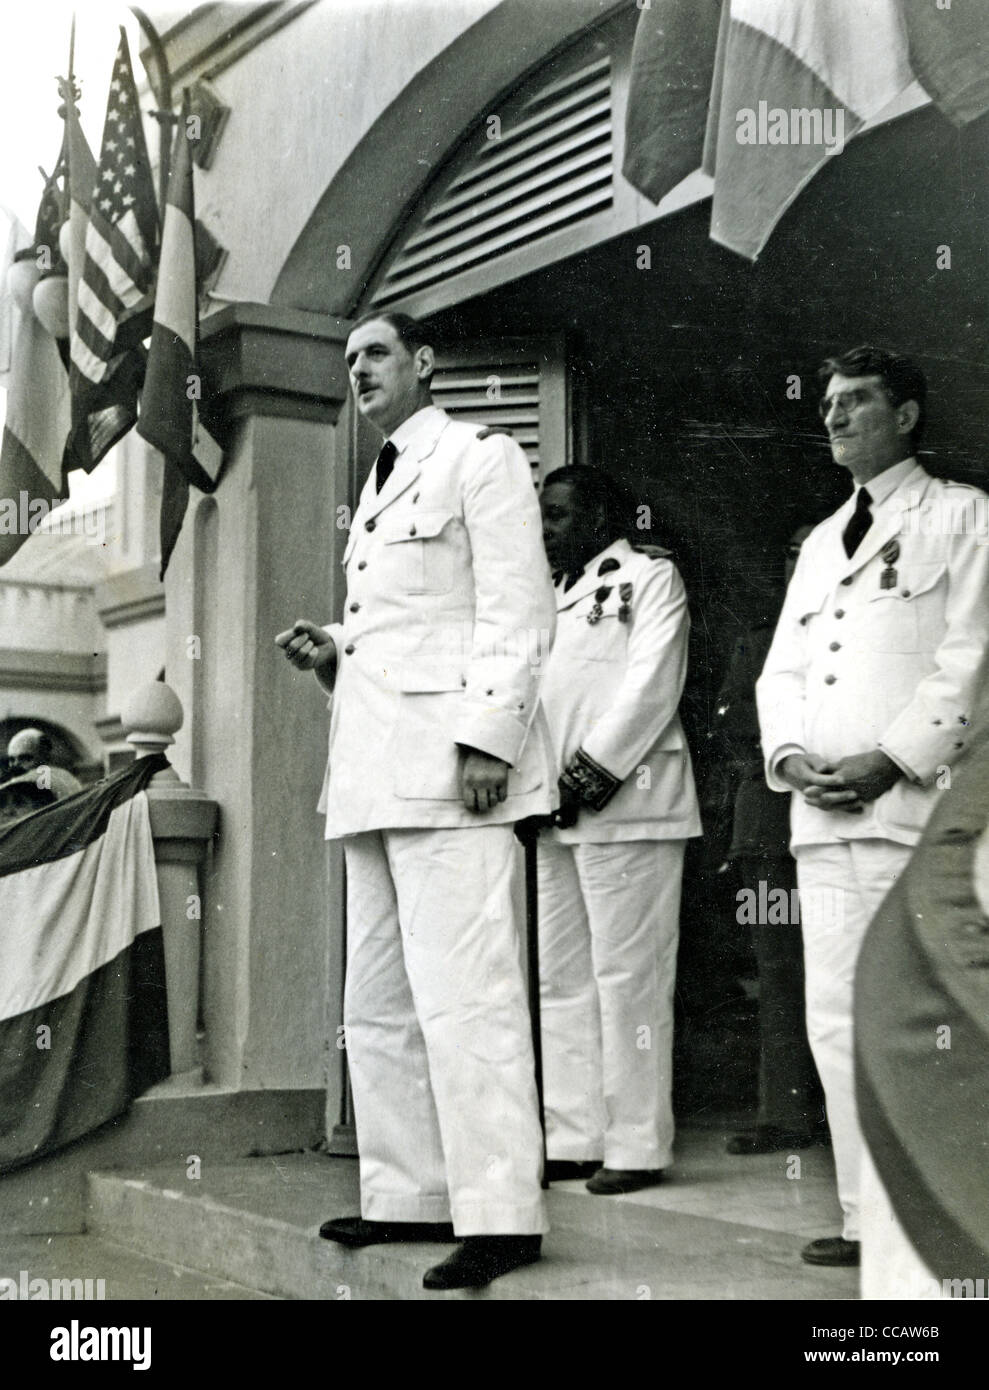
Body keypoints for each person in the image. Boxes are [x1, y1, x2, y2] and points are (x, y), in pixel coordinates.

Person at [276, 311, 556, 1291]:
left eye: (377, 354)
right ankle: (407, 1190)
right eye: (349, 359)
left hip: (450, 772)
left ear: (423, 364)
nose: (359, 370)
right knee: (381, 1002)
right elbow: (407, 634)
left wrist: (489, 738)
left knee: (467, 994)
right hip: (370, 771)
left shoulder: (481, 457)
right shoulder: (384, 474)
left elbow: (517, 606)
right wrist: (335, 654)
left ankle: (501, 1212)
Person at [756, 345, 989, 1267]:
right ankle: (866, 1216)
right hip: (822, 819)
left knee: (921, 1020)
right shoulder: (819, 542)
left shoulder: (961, 516)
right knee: (835, 1017)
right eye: (826, 403)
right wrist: (789, 757)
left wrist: (891, 760)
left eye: (856, 401)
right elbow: (784, 671)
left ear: (907, 415)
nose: (834, 417)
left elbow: (970, 659)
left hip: (913, 814)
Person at [533, 465, 701, 1195]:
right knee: (562, 978)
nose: (545, 529)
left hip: (628, 802)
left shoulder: (648, 579)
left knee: (628, 979)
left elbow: (651, 685)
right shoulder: (546, 597)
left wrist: (589, 773)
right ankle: (574, 1135)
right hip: (549, 810)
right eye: (542, 515)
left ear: (603, 516)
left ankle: (634, 1144)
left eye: (560, 515)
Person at [718, 529, 826, 1156]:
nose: (800, 563)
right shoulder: (757, 647)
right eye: (790, 553)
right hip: (768, 843)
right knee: (778, 969)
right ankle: (783, 1115)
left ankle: (851, 1117)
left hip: (848, 834)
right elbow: (734, 735)